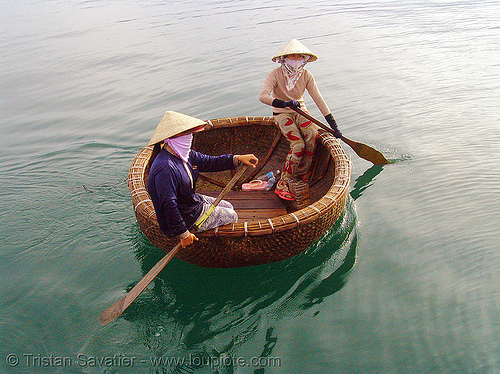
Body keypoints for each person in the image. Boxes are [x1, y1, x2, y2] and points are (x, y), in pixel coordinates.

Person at [147, 111, 258, 248]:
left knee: (228, 206)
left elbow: (210, 162)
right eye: (188, 133)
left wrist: (237, 159)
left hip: (189, 203)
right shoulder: (165, 167)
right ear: (176, 137)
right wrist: (183, 233)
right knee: (232, 215)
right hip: (184, 217)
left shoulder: (184, 154)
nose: (191, 137)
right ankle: (216, 246)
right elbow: (168, 204)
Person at [259, 38, 342, 201]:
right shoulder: (274, 74)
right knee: (298, 144)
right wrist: (284, 103)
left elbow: (318, 100)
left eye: (299, 57)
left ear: (304, 59)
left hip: (301, 111)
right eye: (292, 56)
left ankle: (303, 173)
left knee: (312, 136)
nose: (296, 60)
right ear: (284, 58)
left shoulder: (306, 75)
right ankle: (283, 182)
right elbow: (263, 96)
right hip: (281, 112)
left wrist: (334, 125)